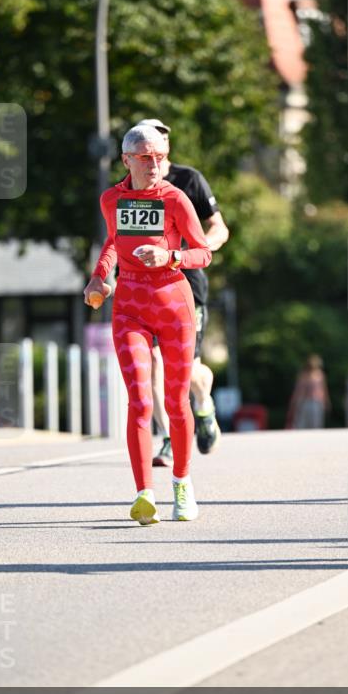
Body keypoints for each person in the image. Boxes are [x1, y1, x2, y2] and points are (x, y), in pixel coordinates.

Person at [84, 124, 211, 524]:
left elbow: (203, 253)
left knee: (175, 402)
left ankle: (183, 483)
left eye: (160, 156)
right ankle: (144, 494)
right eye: (145, 157)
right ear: (127, 160)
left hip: (174, 303)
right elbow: (111, 241)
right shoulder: (111, 199)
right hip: (130, 306)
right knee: (139, 399)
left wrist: (171, 258)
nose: (155, 164)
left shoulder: (175, 199)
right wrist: (99, 276)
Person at [133, 119, 229, 466]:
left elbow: (219, 227)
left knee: (188, 370)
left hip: (187, 285)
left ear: (166, 147)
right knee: (156, 362)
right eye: (142, 149)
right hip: (146, 289)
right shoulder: (129, 188)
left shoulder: (189, 180)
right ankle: (171, 437)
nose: (150, 155)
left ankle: (203, 407)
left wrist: (199, 248)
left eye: (156, 146)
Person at [287, 354, 330, 429]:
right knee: (302, 423)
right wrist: (293, 403)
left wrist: (326, 402)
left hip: (316, 401)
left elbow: (324, 390)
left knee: (316, 423)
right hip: (304, 401)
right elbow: (298, 390)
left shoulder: (320, 375)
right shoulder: (303, 375)